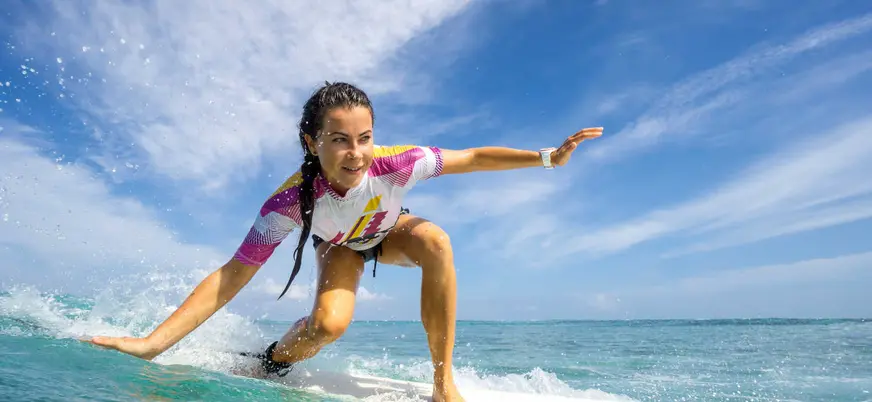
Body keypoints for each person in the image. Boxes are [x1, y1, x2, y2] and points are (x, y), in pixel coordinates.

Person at [85, 81, 603, 402]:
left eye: (364, 138)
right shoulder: (290, 202)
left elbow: (472, 158)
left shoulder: (398, 164)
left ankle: (443, 383)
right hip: (338, 247)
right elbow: (232, 275)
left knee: (437, 242)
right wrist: (154, 344)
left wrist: (546, 158)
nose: (355, 153)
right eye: (339, 140)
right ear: (312, 143)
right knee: (327, 327)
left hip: (390, 232)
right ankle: (272, 360)